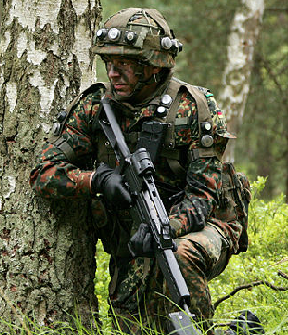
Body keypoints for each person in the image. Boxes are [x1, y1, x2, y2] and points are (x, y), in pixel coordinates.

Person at [29, 8, 248, 334]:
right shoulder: (95, 107)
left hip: (203, 225)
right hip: (132, 237)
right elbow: (43, 172)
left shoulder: (193, 107)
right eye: (110, 65)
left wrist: (167, 227)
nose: (114, 74)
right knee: (134, 328)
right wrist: (97, 180)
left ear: (153, 68)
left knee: (181, 258)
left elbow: (203, 195)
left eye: (125, 66)